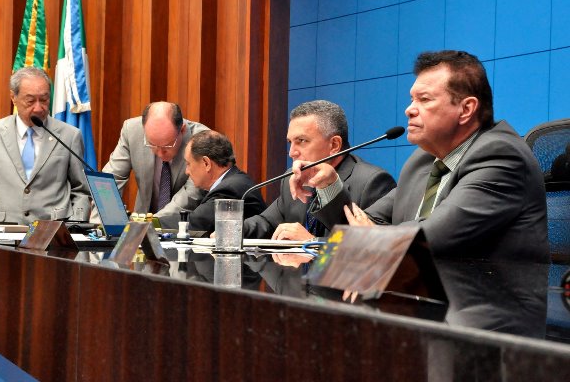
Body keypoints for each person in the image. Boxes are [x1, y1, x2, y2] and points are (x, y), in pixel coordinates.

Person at [290, 50, 549, 262]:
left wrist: (372, 237)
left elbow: (434, 236)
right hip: (426, 301)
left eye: (424, 99)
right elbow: (359, 226)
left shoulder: (502, 156)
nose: (409, 110)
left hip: (490, 317)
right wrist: (328, 183)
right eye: (412, 99)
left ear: (466, 109)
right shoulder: (423, 161)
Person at [242, 99, 396, 240]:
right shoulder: (293, 177)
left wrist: (310, 244)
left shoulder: (372, 182)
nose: (291, 152)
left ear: (334, 145)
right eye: (290, 142)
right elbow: (266, 222)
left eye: (301, 141)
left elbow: (366, 245)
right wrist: (227, 233)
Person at [0, 67, 90, 224]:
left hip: (53, 232)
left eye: (44, 100)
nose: (38, 108)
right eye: (30, 101)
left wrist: (75, 226)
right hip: (5, 232)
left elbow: (81, 190)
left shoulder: (69, 135)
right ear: (13, 97)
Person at [100, 101, 209, 227]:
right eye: (152, 144)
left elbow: (191, 194)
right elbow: (110, 180)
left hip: (181, 226)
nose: (160, 154)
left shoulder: (201, 139)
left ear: (182, 130)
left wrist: (151, 223)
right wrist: (101, 224)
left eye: (168, 145)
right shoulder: (132, 130)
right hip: (141, 228)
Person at [169, 130, 266, 234]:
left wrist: (151, 224)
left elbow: (196, 223)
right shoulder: (231, 181)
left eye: (188, 164)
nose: (186, 171)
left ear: (206, 163)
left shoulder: (231, 188)